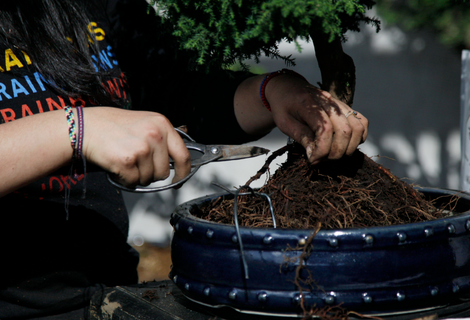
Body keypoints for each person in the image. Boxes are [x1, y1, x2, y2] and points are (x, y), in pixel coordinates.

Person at [0, 0, 368, 318]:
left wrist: (273, 91)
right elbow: (84, 126)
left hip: (109, 294)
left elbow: (172, 92)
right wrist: (77, 129)